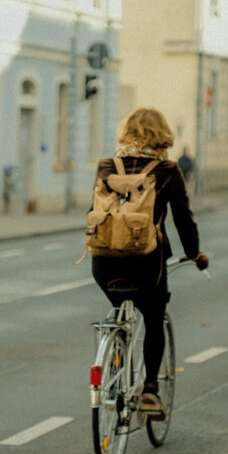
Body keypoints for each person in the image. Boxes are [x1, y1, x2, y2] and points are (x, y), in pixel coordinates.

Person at [91, 108, 209, 420]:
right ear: (161, 135)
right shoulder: (167, 170)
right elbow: (184, 220)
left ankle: (114, 366)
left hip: (104, 264)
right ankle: (150, 390)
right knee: (154, 318)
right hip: (147, 264)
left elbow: (96, 213)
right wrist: (195, 253)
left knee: (119, 310)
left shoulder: (106, 166)